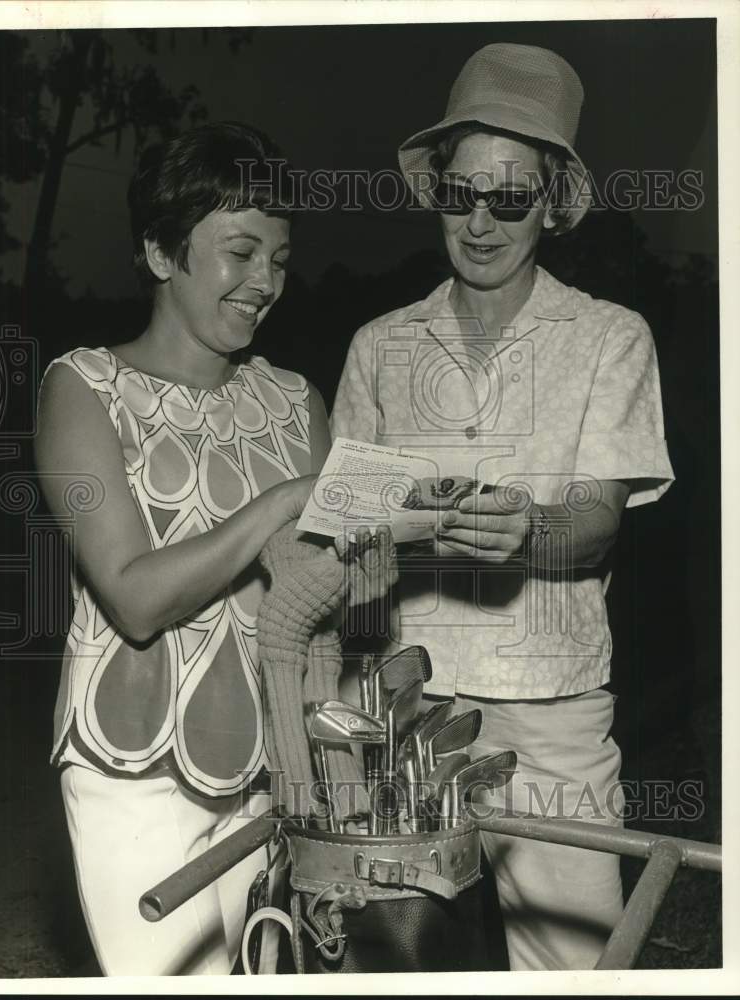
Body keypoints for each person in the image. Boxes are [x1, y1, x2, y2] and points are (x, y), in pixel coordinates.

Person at [331, 44, 675, 970]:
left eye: (510, 199)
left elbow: (598, 516)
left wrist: (532, 535)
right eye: (460, 195)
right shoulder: (379, 345)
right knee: (388, 964)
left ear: (553, 203)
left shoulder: (608, 337)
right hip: (401, 712)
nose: (479, 222)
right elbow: (343, 539)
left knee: (576, 968)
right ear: (436, 192)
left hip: (551, 714)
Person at [34, 122, 391, 976]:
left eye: (278, 257)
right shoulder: (82, 390)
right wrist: (285, 503)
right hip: (134, 769)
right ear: (161, 252)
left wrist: (393, 537)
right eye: (239, 252)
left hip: (278, 769)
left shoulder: (293, 399)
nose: (264, 281)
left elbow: (327, 600)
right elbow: (134, 596)